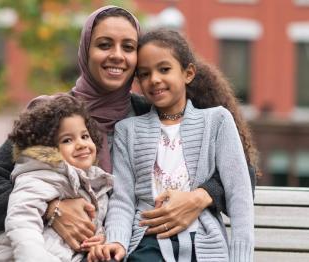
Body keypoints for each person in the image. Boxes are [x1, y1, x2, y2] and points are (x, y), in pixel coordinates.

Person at [0, 6, 255, 261]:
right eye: (104, 45)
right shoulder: (53, 115)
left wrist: (199, 197)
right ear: (85, 50)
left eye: (128, 47)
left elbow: (243, 174)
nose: (117, 56)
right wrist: (51, 208)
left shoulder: (148, 113)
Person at [88, 29, 255, 262]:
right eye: (144, 74)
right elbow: (123, 199)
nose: (154, 79)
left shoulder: (217, 121)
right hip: (147, 242)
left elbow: (240, 194)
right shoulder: (128, 130)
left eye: (164, 69)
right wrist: (116, 241)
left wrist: (241, 256)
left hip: (205, 243)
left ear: (188, 73)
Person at [0, 94, 113, 262]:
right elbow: (21, 221)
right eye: (67, 140)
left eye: (85, 136)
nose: (81, 144)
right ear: (47, 148)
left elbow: (93, 221)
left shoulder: (95, 182)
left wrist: (98, 238)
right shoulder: (40, 176)